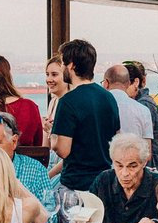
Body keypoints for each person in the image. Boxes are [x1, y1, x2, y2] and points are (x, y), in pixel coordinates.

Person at [50, 39, 120, 192]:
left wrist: (53, 138)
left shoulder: (68, 101)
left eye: (62, 63)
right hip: (105, 182)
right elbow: (117, 139)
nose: (62, 68)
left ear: (71, 65)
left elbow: (63, 150)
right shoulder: (108, 97)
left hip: (76, 183)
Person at [124, 60, 158, 173]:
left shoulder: (143, 105)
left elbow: (146, 143)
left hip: (152, 167)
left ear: (136, 82)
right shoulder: (146, 102)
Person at [102, 64, 153, 152]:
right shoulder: (143, 110)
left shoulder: (95, 107)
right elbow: (147, 152)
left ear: (106, 83)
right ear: (128, 83)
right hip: (132, 162)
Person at [42, 54, 68, 181]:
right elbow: (46, 147)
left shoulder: (70, 105)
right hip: (51, 163)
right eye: (47, 74)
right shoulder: (53, 102)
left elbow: (68, 152)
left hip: (62, 168)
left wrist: (48, 176)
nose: (49, 79)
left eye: (54, 74)